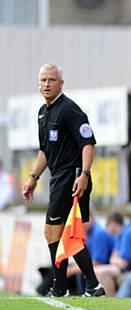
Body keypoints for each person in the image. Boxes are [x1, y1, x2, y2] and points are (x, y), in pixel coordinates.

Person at [21, 64, 104, 297]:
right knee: (67, 233)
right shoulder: (43, 113)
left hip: (72, 175)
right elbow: (45, 151)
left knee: (53, 230)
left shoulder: (69, 109)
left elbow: (88, 143)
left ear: (61, 84)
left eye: (52, 80)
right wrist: (33, 177)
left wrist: (84, 175)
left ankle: (62, 287)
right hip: (58, 177)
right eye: (43, 80)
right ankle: (90, 285)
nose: (47, 84)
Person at [94, 212, 131, 296]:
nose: (107, 229)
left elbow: (123, 263)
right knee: (98, 271)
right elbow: (113, 258)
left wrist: (115, 260)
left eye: (107, 225)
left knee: (101, 272)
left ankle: (110, 301)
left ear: (113, 223)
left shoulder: (129, 232)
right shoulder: (120, 234)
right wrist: (116, 260)